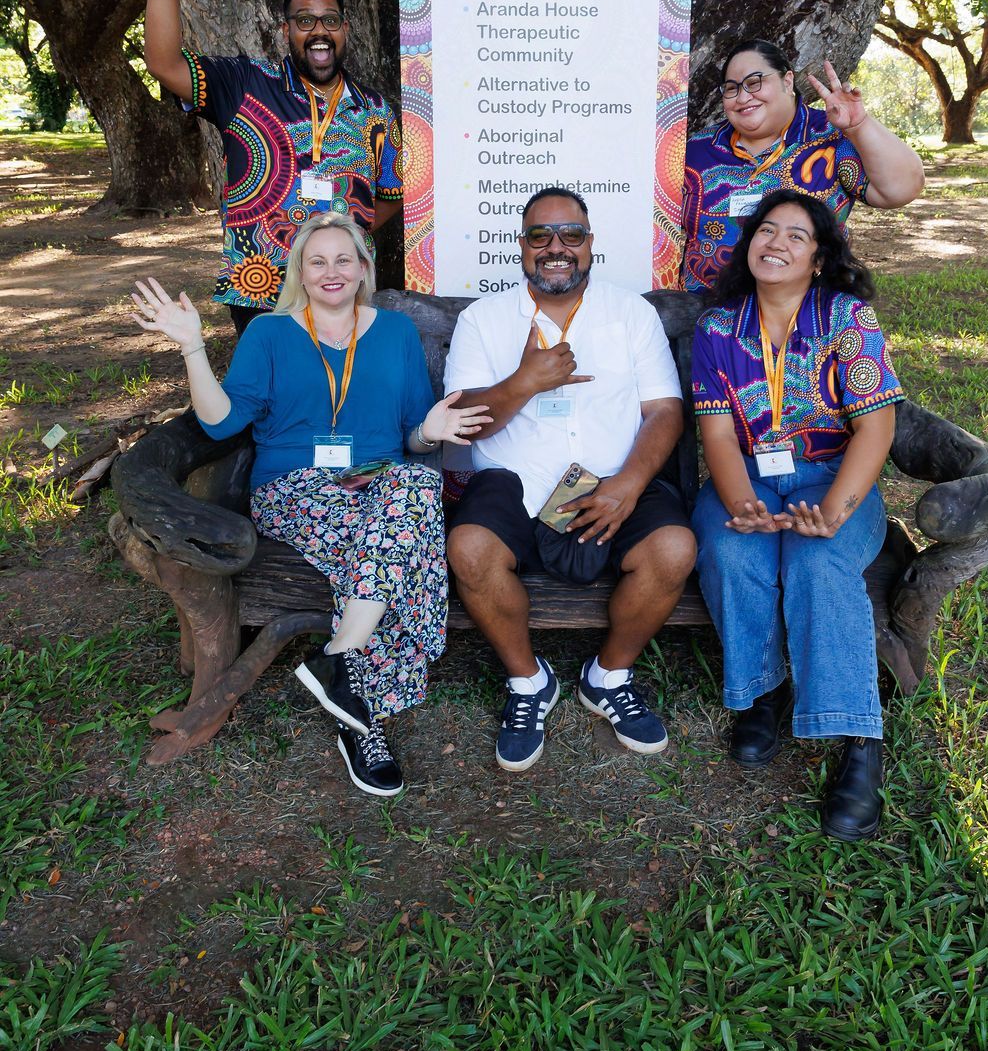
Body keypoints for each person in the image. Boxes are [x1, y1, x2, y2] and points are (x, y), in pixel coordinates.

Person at [130, 213, 489, 797]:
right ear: (299, 270)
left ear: (364, 269)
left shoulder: (395, 334)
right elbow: (222, 424)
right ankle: (352, 686)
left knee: (408, 490)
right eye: (316, 260)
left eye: (343, 259)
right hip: (294, 485)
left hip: (377, 478)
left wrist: (431, 427)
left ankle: (344, 673)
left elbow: (412, 440)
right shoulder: (269, 335)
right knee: (412, 518)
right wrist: (194, 347)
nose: (331, 271)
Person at [444, 185, 696, 773]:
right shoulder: (483, 319)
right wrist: (523, 382)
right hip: (516, 483)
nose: (556, 247)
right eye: (541, 236)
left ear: (590, 245)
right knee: (470, 548)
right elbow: (464, 424)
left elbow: (665, 412)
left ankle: (607, 677)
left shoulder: (630, 313)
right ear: (522, 247)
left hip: (615, 479)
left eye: (571, 235)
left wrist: (628, 485)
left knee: (674, 549)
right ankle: (529, 683)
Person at [689, 189, 905, 841]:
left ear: (818, 259)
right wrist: (739, 504)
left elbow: (876, 427)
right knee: (731, 550)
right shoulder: (717, 329)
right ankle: (763, 691)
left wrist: (835, 510)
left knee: (817, 559)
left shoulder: (847, 319)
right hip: (751, 475)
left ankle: (859, 740)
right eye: (766, 230)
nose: (775, 243)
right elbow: (720, 437)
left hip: (837, 478)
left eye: (796, 236)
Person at [144, 0, 403, 334]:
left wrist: (345, 233)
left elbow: (390, 196)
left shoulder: (375, 110)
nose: (319, 30)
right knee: (269, 397)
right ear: (286, 31)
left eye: (330, 20)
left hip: (345, 293)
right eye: (305, 21)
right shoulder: (244, 84)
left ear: (345, 30)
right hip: (260, 288)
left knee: (338, 397)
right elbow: (163, 63)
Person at [681, 38, 925, 293]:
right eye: (732, 88)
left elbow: (900, 190)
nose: (743, 97)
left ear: (787, 81)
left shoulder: (830, 136)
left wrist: (859, 125)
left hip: (810, 316)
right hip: (710, 317)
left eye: (754, 83)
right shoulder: (696, 150)